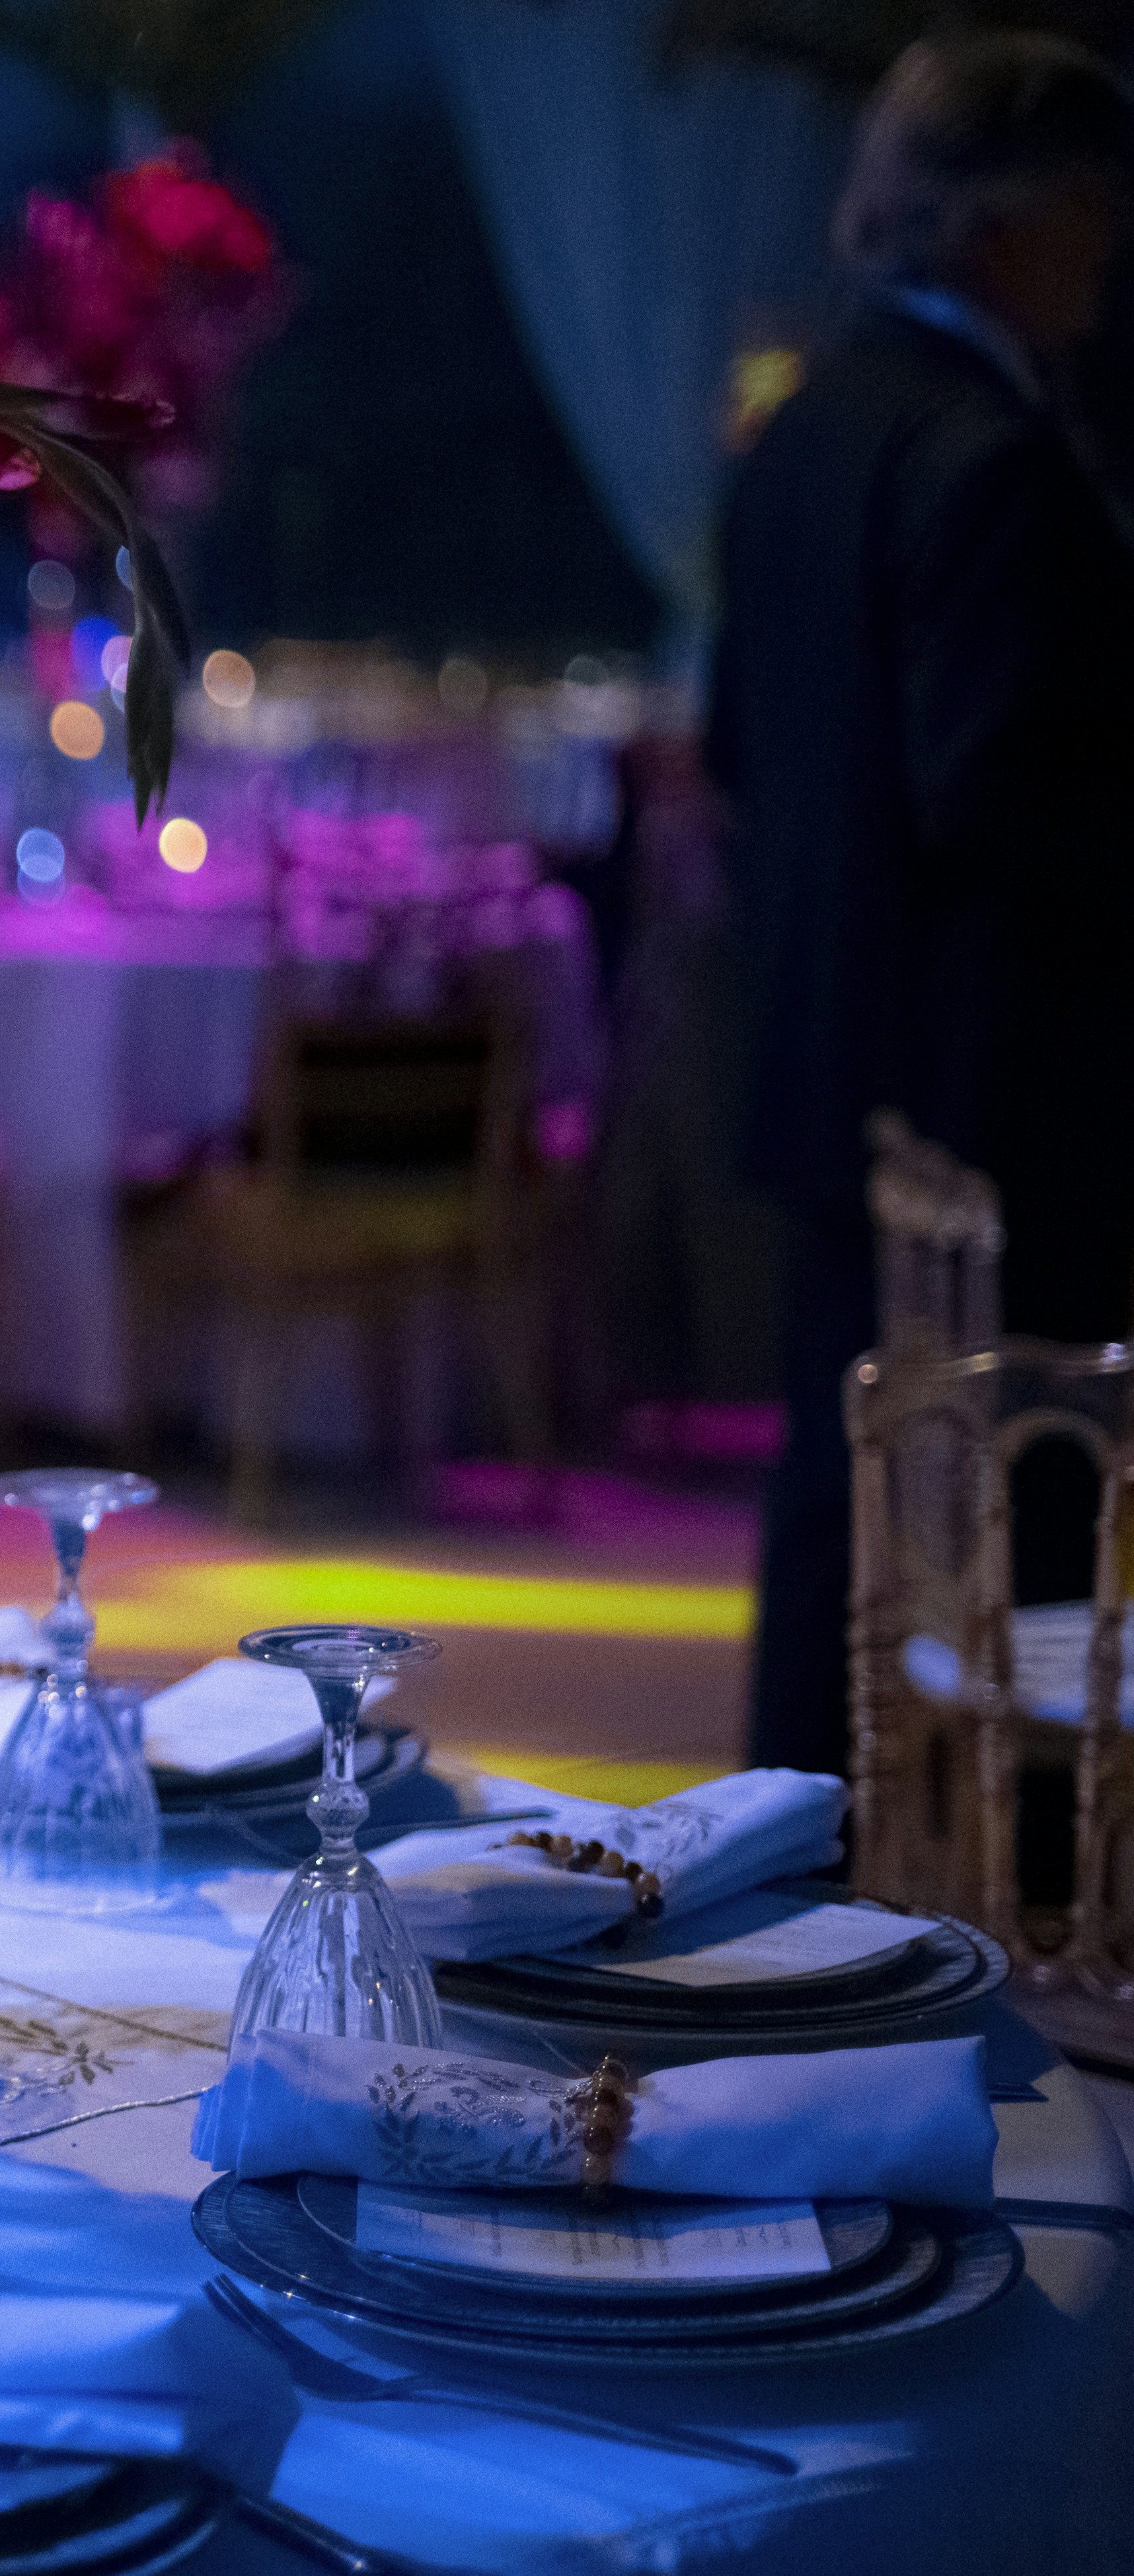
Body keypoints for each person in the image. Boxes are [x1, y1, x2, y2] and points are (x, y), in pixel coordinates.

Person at [712, 32, 1134, 1777]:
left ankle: (794, 1866)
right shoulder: (992, 462)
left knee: (841, 1510)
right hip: (990, 1097)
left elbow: (736, 742)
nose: (1112, 254)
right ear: (1003, 227)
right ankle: (991, 1917)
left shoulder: (804, 426)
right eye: (1095, 211)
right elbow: (1005, 802)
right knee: (1004, 1525)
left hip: (826, 1059)